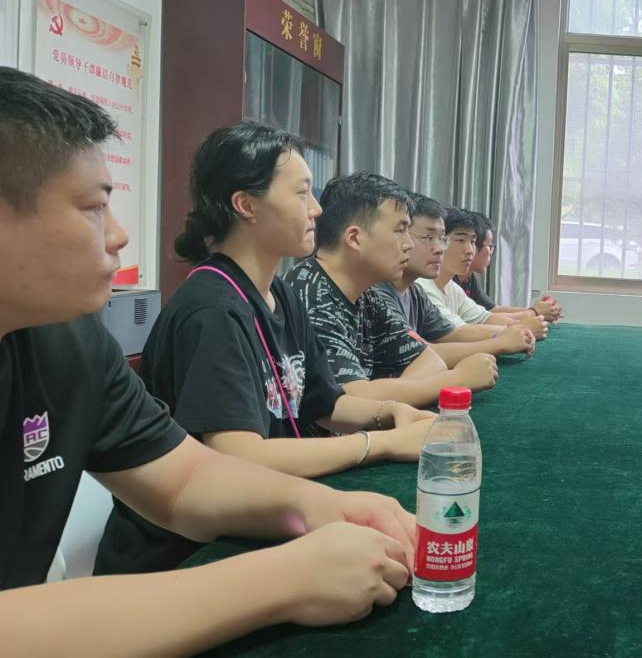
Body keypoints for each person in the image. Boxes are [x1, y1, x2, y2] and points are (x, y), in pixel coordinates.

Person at [0, 66, 415, 654]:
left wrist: (328, 506)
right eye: (93, 208)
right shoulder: (207, 308)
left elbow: (184, 479)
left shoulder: (67, 339)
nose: (119, 236)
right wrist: (283, 580)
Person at [94, 122, 439, 575]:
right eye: (301, 193)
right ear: (246, 205)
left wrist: (391, 413)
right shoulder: (212, 310)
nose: (316, 209)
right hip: (186, 557)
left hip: (260, 522)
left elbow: (324, 402)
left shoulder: (280, 293)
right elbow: (240, 454)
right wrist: (381, 443)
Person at [285, 173, 499, 406]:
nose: (409, 244)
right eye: (400, 231)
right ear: (354, 238)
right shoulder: (310, 292)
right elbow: (347, 399)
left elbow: (429, 360)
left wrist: (389, 395)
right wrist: (455, 379)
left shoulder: (367, 293)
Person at [395, 193, 536, 361]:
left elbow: (450, 333)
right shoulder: (399, 291)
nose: (439, 248)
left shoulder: (416, 291)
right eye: (428, 237)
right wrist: (502, 340)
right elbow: (424, 354)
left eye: (441, 239)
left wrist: (511, 333)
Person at [417, 207, 547, 339]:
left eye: (472, 242)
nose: (469, 250)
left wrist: (522, 326)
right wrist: (521, 328)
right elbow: (457, 332)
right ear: (440, 241)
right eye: (461, 240)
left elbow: (485, 318)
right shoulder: (423, 288)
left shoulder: (451, 288)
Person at [459, 211, 562, 321]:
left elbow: (492, 310)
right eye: (489, 245)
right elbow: (483, 319)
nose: (491, 252)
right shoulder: (451, 282)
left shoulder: (468, 278)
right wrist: (535, 312)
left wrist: (538, 311)